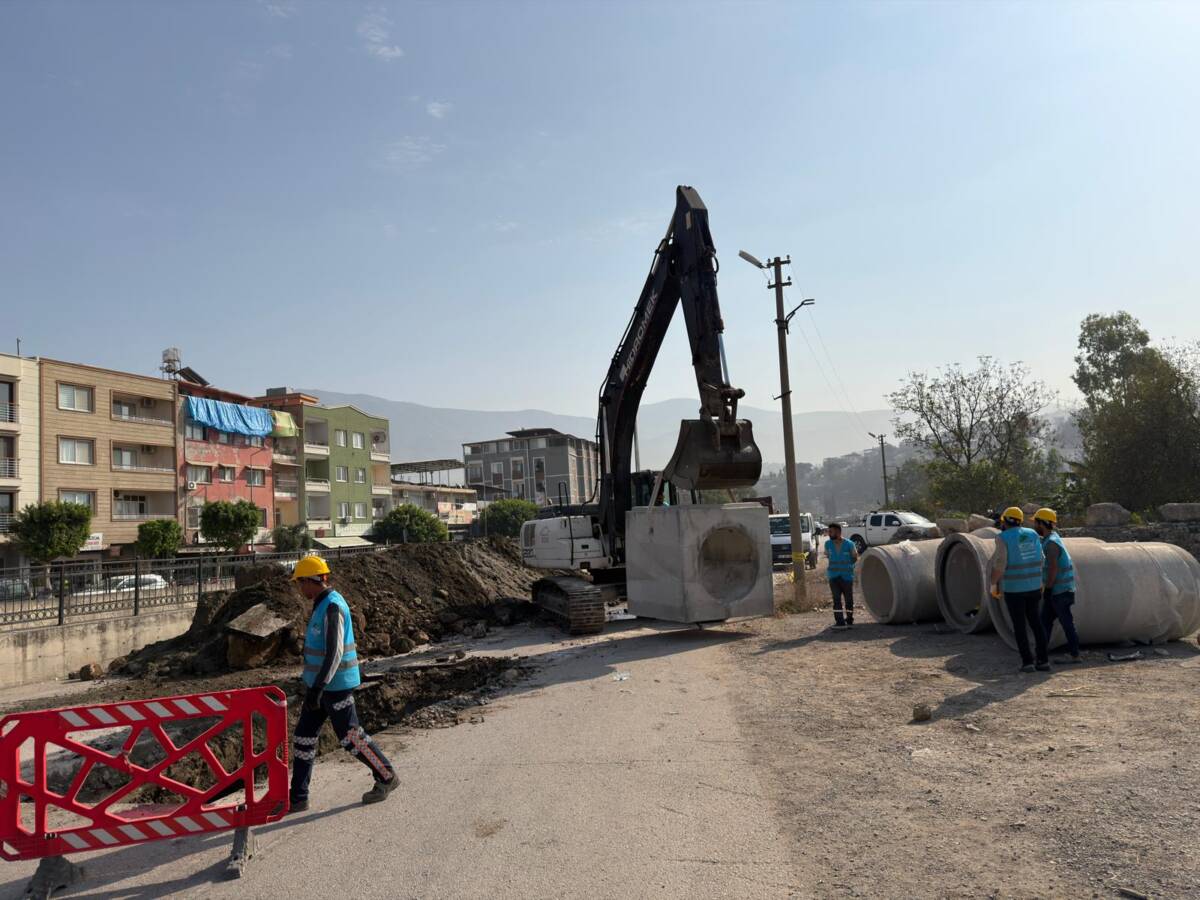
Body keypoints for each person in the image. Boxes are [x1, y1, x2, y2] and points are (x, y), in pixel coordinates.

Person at [289, 555, 398, 812]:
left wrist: (318, 687)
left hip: (335, 686)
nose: (299, 588)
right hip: (319, 686)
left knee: (351, 738)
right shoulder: (320, 604)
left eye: (300, 583)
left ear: (311, 580)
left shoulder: (332, 606)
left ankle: (386, 776)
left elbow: (335, 652)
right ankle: (298, 797)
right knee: (303, 738)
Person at [990, 506, 1050, 673]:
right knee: (1036, 623)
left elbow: (1000, 564)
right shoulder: (1032, 534)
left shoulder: (1002, 538)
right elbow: (1042, 560)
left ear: (1005, 521)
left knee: (1020, 626)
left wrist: (993, 583)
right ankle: (1043, 661)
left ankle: (1028, 663)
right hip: (1034, 588)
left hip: (1014, 589)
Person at [1033, 507, 1082, 664]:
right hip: (1060, 590)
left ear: (1042, 523)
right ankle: (1041, 654)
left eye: (1036, 523)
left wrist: (1047, 588)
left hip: (1059, 591)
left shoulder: (1052, 544)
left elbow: (1053, 568)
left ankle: (1075, 655)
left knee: (1066, 622)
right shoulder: (1052, 538)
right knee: (1045, 621)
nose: (1035, 526)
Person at [824, 522, 858, 630]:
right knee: (836, 599)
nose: (829, 533)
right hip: (833, 577)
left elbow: (854, 557)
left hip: (847, 577)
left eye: (831, 531)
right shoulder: (827, 544)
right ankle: (839, 622)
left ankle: (849, 620)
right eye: (828, 531)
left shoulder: (849, 544)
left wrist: (847, 567)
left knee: (849, 599)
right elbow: (829, 556)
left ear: (838, 532)